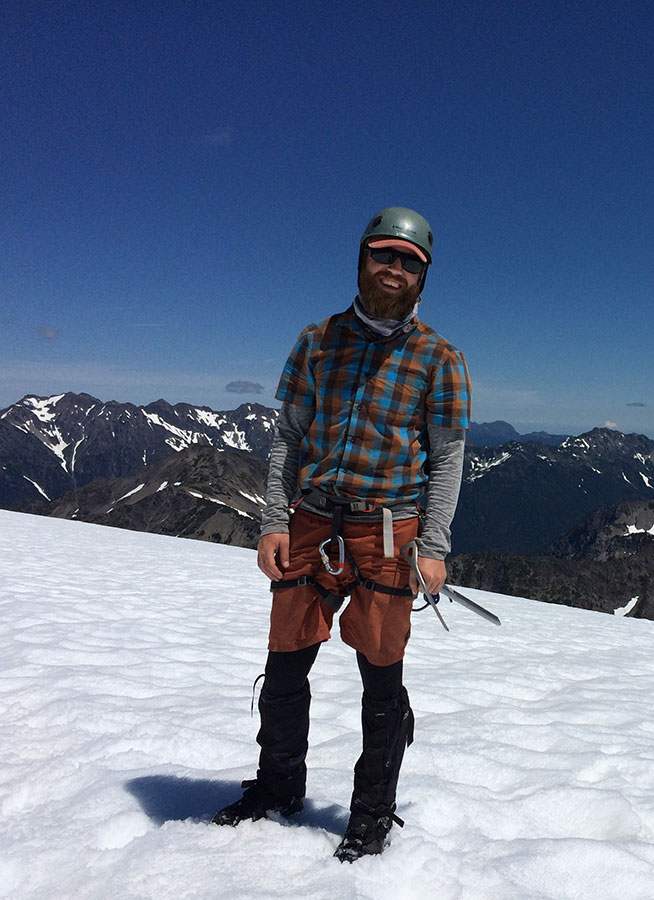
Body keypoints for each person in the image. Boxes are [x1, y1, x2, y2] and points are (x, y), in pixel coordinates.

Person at [213, 206, 470, 862]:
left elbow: (446, 457)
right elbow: (290, 439)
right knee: (286, 663)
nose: (396, 268)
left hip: (390, 531)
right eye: (385, 254)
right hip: (312, 521)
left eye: (411, 261)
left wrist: (434, 547)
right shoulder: (315, 341)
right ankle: (278, 786)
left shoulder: (440, 360)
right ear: (361, 258)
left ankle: (371, 812)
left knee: (380, 676)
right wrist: (275, 522)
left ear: (425, 274)